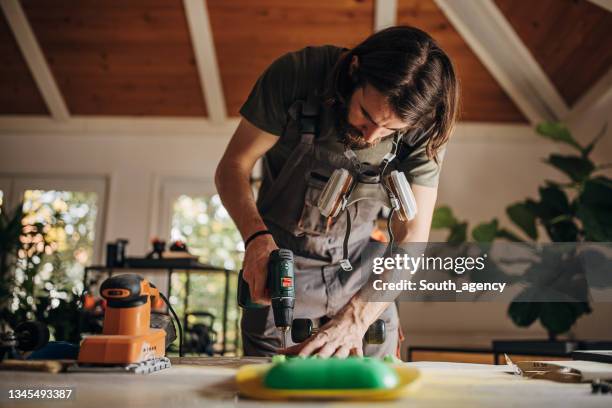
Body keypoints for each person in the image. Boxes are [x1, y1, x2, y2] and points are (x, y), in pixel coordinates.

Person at [215, 25, 459, 357]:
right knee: (274, 386)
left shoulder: (425, 122)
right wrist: (256, 239)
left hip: (362, 269)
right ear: (354, 70)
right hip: (283, 264)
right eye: (367, 115)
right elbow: (233, 167)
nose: (373, 136)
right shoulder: (296, 76)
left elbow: (414, 236)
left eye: (391, 129)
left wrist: (358, 317)